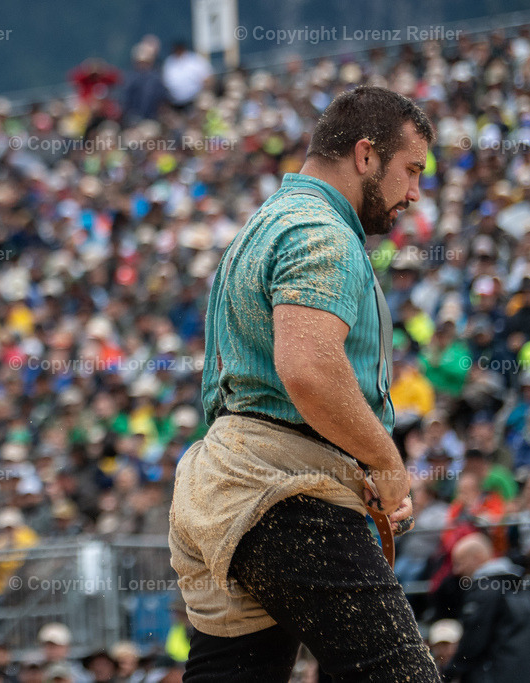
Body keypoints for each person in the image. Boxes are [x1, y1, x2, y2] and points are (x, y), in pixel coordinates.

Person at [169, 86, 441, 680]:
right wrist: (387, 465)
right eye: (412, 169)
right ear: (366, 156)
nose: (417, 192)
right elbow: (309, 369)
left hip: (226, 490)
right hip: (282, 492)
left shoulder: (264, 223)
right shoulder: (322, 231)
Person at [444, 534, 530, 682]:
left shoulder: (485, 589)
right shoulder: (519, 585)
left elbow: (473, 642)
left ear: (477, 557)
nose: (456, 571)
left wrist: (447, 673)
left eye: (459, 563)